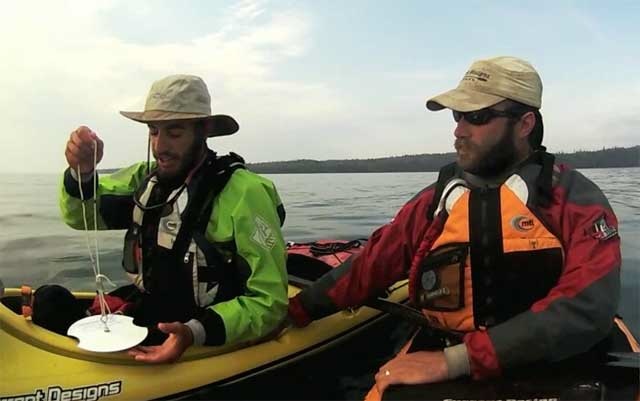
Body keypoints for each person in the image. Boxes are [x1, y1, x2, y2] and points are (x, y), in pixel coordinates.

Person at [287, 56, 635, 399]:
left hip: (562, 364)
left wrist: (456, 361)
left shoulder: (577, 199)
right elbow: (369, 266)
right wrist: (296, 311)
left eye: (477, 117)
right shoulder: (434, 202)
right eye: (458, 116)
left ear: (525, 124)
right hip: (453, 354)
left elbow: (588, 308)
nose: (459, 129)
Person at [59, 74, 288, 363]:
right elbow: (82, 217)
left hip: (206, 330)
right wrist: (82, 173)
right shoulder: (145, 179)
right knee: (50, 300)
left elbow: (270, 303)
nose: (160, 146)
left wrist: (194, 333)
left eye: (174, 133)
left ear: (203, 130)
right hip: (151, 310)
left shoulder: (246, 193)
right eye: (154, 131)